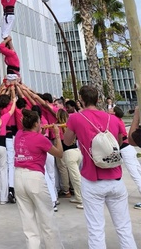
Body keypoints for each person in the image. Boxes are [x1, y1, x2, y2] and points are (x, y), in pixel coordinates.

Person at [63, 85, 137, 249]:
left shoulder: (75, 118)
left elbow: (67, 141)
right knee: (124, 227)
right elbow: (118, 142)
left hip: (92, 179)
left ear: (81, 100)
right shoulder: (113, 118)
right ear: (98, 99)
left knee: (96, 229)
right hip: (115, 177)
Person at [14, 109, 64, 249]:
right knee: (47, 218)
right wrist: (57, 136)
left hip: (18, 176)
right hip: (34, 177)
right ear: (36, 123)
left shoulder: (18, 135)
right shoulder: (41, 139)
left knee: (28, 221)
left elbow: (31, 141)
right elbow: (59, 154)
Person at [112, 106, 141, 209]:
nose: (108, 110)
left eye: (111, 109)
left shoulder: (115, 120)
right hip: (129, 149)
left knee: (135, 174)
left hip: (125, 149)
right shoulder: (119, 120)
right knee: (138, 171)